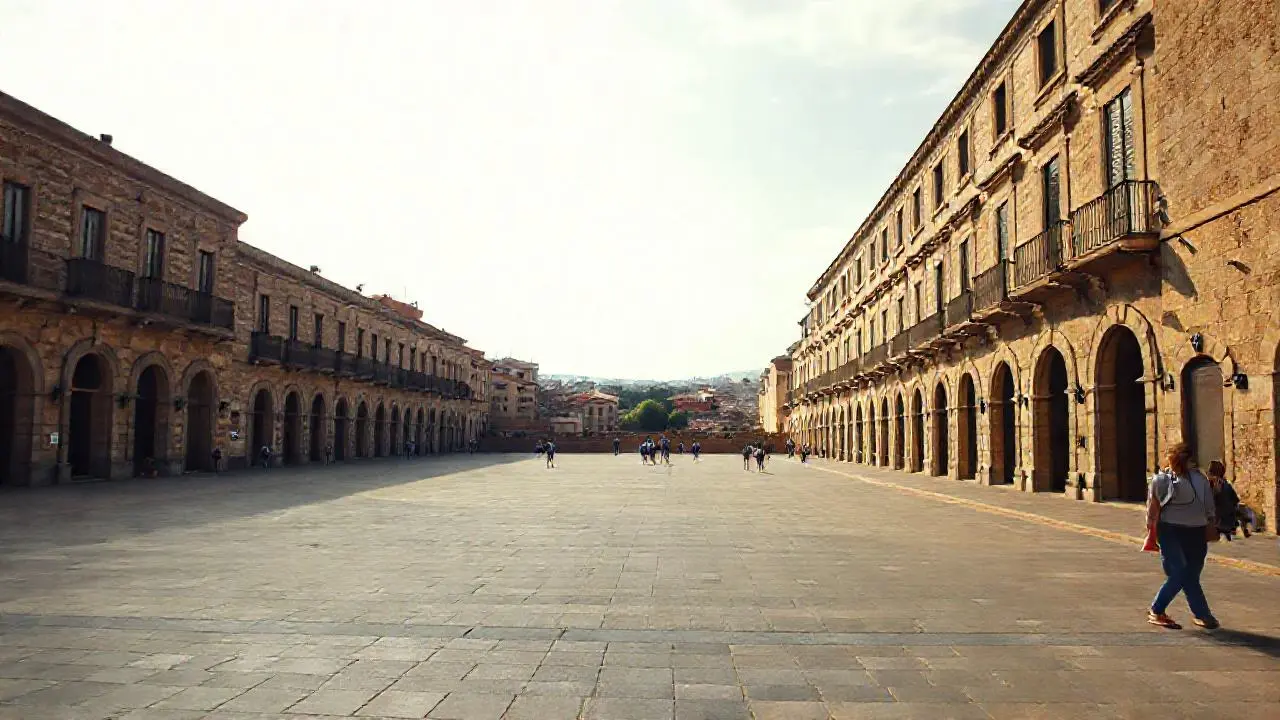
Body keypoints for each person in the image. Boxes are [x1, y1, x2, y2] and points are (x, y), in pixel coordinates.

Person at [1145, 442, 1219, 630]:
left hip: (1170, 530)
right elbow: (1209, 507)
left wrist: (1151, 533)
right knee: (1186, 572)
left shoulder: (1160, 479)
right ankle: (1157, 610)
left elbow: (1152, 511)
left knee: (1184, 573)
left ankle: (1201, 614)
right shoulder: (1200, 480)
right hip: (1194, 529)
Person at [1205, 460, 1243, 541]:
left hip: (1217, 524)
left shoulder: (1210, 485)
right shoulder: (1227, 485)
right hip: (1229, 523)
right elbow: (1235, 502)